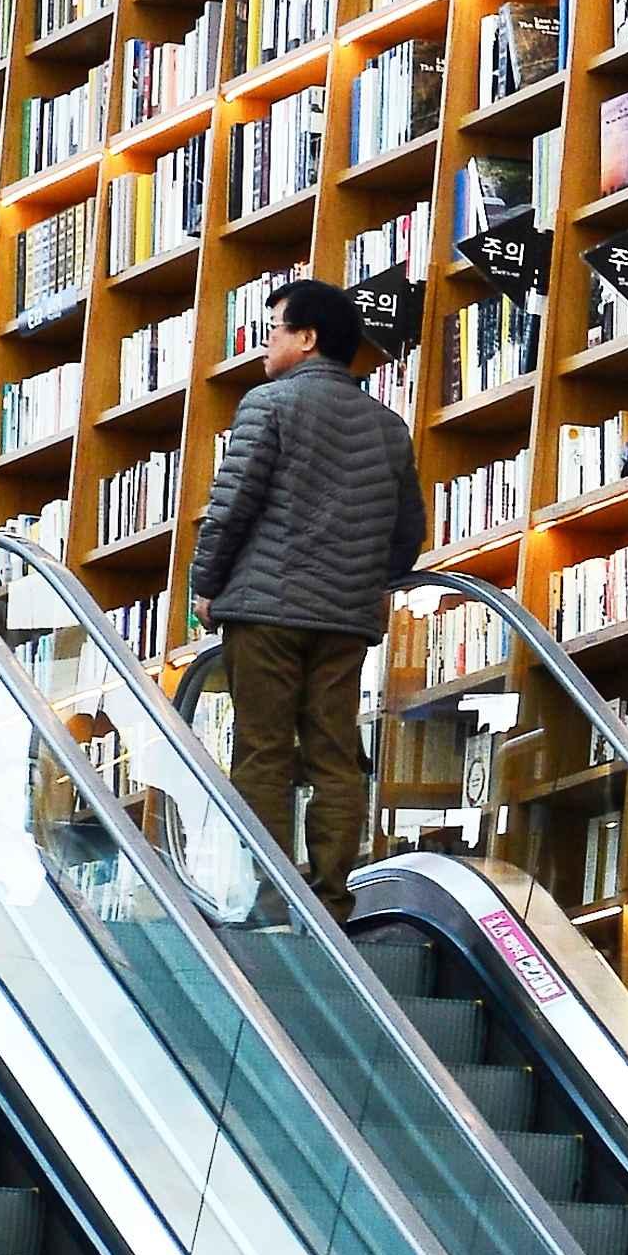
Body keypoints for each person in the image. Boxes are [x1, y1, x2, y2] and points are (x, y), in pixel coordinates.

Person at [184, 273, 422, 898]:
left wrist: (204, 586)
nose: (264, 347)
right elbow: (407, 537)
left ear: (308, 338)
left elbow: (231, 506)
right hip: (345, 619)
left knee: (263, 751)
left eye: (273, 331)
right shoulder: (388, 426)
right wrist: (357, 580)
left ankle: (267, 892)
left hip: (266, 611)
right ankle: (331, 894)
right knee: (336, 753)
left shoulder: (269, 405)